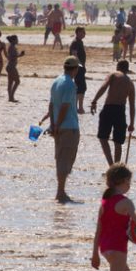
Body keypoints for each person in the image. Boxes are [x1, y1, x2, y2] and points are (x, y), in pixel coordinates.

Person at [91, 61, 136, 166]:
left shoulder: (113, 75)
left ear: (118, 67)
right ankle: (116, 166)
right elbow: (132, 106)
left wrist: (94, 101)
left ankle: (111, 165)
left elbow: (103, 87)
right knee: (118, 142)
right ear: (127, 70)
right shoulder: (130, 83)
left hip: (109, 108)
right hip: (120, 111)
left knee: (103, 138)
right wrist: (132, 123)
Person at [49, 56, 82, 203]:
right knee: (66, 159)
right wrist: (57, 124)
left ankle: (60, 191)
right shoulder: (70, 85)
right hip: (69, 126)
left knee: (60, 157)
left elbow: (51, 105)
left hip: (59, 126)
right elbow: (65, 106)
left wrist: (53, 124)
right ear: (74, 69)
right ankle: (60, 192)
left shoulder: (57, 81)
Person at [69, 27, 88, 113]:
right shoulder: (75, 42)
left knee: (80, 87)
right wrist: (81, 66)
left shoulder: (79, 42)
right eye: (81, 32)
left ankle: (77, 107)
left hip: (79, 67)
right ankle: (78, 107)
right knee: (81, 87)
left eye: (83, 32)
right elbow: (74, 54)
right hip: (77, 68)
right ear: (77, 33)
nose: (83, 34)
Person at [5, 35, 24, 103]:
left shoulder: (12, 47)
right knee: (17, 81)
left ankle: (10, 97)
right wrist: (20, 55)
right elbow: (12, 57)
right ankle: (11, 97)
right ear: (13, 40)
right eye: (16, 39)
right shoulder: (11, 47)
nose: (17, 41)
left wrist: (19, 55)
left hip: (10, 66)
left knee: (10, 82)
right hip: (11, 66)